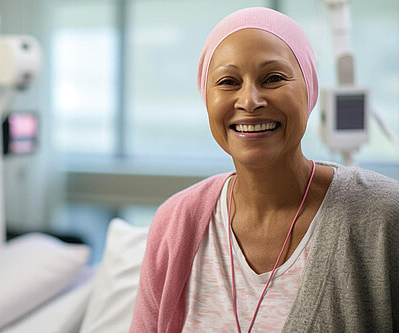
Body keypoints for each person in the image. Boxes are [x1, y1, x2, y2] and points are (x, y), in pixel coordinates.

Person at [130, 7, 399, 333]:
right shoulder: (175, 223)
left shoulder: (385, 218)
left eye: (273, 78)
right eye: (228, 82)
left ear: (310, 90)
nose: (250, 100)